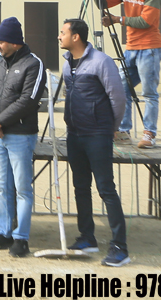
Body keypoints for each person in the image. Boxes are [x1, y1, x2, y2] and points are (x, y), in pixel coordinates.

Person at [59, 18, 129, 268]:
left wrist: (110, 127)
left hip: (98, 135)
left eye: (63, 32)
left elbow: (117, 98)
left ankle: (120, 247)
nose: (59, 36)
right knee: (80, 187)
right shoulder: (67, 64)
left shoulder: (101, 61)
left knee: (106, 188)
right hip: (74, 135)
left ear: (76, 37)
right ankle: (87, 237)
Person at [0, 17, 44, 255]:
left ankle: (21, 238)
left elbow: (28, 100)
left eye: (1, 41)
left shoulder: (33, 64)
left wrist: (0, 121)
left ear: (14, 42)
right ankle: (5, 232)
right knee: (3, 185)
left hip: (20, 135)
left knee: (22, 188)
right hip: (0, 135)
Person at [101, 0, 161, 149]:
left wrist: (117, 19)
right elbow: (106, 2)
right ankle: (123, 131)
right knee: (121, 89)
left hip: (149, 48)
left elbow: (146, 21)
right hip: (131, 48)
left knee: (149, 93)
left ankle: (149, 134)